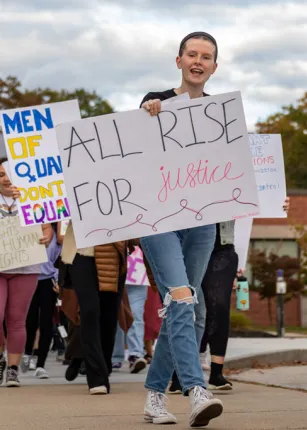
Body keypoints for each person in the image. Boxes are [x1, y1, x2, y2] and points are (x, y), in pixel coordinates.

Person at [139, 32, 223, 427]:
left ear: (214, 67)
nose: (198, 61)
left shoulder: (221, 113)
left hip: (202, 223)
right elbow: (132, 152)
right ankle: (195, 390)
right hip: (159, 221)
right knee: (183, 299)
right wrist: (146, 113)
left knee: (183, 308)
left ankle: (155, 396)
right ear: (179, 60)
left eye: (206, 57)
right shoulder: (155, 101)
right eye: (192, 54)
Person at [200, 197, 291, 391]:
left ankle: (216, 372)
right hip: (192, 243)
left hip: (222, 248)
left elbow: (251, 196)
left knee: (219, 306)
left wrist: (276, 203)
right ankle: (182, 369)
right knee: (194, 308)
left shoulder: (234, 169)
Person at [60, 221, 136, 395]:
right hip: (81, 251)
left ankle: (103, 364)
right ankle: (96, 377)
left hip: (113, 250)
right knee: (89, 310)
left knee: (109, 316)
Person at [0, 159, 53, 387]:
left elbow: (48, 228)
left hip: (26, 267)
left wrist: (47, 235)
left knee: (16, 320)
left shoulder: (33, 199)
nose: (6, 178)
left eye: (9, 173)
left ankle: (12, 369)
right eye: (1, 174)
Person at [22, 222, 62, 379]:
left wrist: (59, 280)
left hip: (48, 281)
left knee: (46, 322)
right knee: (29, 321)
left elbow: (59, 258)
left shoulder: (56, 233)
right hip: (28, 279)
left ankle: (41, 365)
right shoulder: (23, 228)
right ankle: (27, 353)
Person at [112, 246, 149, 374]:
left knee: (136, 315)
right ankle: (114, 355)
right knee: (114, 314)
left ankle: (135, 354)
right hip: (113, 264)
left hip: (138, 269)